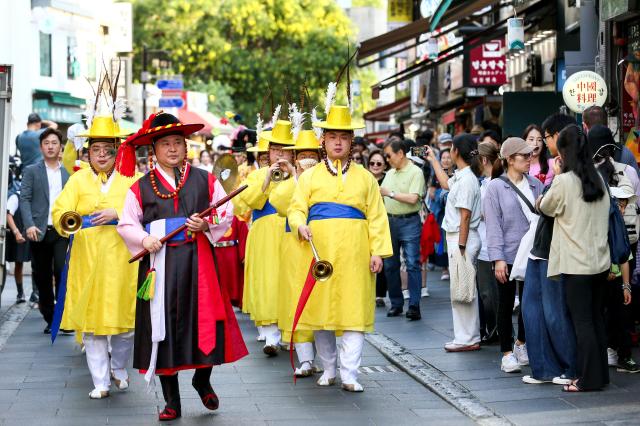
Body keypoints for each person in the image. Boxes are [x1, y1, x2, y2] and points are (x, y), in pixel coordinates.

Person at [117, 112, 247, 420]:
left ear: (186, 146)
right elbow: (126, 223)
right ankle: (171, 400)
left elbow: (225, 212)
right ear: (154, 149)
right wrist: (143, 239)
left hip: (198, 261)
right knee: (162, 328)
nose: (173, 149)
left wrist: (206, 223)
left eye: (178, 142)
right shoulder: (140, 188)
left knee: (206, 320)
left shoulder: (205, 179)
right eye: (166, 144)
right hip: (159, 262)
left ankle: (203, 379)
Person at [288, 105, 392, 392]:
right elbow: (296, 209)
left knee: (354, 312)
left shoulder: (366, 178)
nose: (337, 142)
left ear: (351, 142)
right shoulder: (308, 177)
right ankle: (329, 367)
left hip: (355, 252)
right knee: (321, 313)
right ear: (323, 140)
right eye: (332, 136)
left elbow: (377, 216)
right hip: (319, 251)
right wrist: (299, 225)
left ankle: (350, 373)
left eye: (343, 137)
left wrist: (377, 251)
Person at [50, 115, 140, 399]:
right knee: (92, 326)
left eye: (108, 150)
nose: (101, 156)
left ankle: (120, 368)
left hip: (121, 259)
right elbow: (59, 211)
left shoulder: (132, 178)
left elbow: (147, 211)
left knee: (124, 324)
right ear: (87, 152)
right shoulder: (77, 179)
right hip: (86, 258)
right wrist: (69, 218)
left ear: (118, 151)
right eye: (95, 150)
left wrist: (118, 213)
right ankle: (100, 381)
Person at [538, 124, 610, 392]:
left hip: (576, 265)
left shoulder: (565, 181)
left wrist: (556, 175)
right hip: (600, 262)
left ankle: (588, 379)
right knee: (595, 319)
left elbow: (546, 207)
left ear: (565, 151)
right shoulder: (599, 178)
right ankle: (599, 374)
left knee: (581, 322)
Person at [521, 112, 578, 386]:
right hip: (541, 246)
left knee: (554, 311)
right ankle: (543, 368)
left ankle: (569, 367)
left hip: (555, 249)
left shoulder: (568, 169)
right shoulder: (558, 167)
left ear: (557, 136)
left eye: (545, 137)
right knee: (533, 309)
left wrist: (548, 188)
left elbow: (545, 205)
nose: (543, 143)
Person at [484, 137, 544, 372]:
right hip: (507, 253)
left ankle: (521, 343)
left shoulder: (536, 185)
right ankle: (506, 352)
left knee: (530, 302)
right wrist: (497, 258)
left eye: (531, 155)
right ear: (510, 159)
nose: (530, 159)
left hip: (532, 252)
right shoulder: (496, 187)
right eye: (524, 156)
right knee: (506, 303)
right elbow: (493, 225)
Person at [236, 119, 295, 355]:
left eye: (284, 150)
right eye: (275, 150)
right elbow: (244, 204)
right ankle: (270, 336)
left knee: (288, 279)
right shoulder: (256, 175)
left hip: (289, 229)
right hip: (263, 233)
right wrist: (267, 179)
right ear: (268, 152)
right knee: (266, 280)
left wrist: (292, 176)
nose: (279, 154)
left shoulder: (298, 174)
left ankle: (288, 331)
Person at [270, 128, 321, 377]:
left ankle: (325, 358)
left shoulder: (327, 179)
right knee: (296, 299)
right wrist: (295, 178)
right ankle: (306, 359)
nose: (308, 159)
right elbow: (278, 204)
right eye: (303, 155)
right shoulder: (291, 183)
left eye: (313, 155)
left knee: (322, 301)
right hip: (295, 247)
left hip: (323, 245)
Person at [426, 134, 482, 352]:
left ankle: (467, 338)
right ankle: (466, 336)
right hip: (460, 238)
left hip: (462, 238)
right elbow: (445, 183)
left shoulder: (467, 180)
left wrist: (461, 245)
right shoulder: (462, 176)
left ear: (457, 152)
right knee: (461, 288)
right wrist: (432, 159)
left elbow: (465, 215)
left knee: (463, 290)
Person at [20, 128, 69, 333]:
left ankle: (63, 317)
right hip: (38, 231)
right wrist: (29, 224)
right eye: (47, 143)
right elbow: (25, 198)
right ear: (41, 147)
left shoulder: (69, 172)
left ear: (60, 147)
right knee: (42, 276)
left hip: (61, 231)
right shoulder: (32, 170)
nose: (50, 146)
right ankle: (49, 317)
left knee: (61, 271)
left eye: (54, 143)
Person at [381, 140, 426, 320]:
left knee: (413, 263)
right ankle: (396, 304)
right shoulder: (390, 173)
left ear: (400, 154)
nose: (387, 159)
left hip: (409, 221)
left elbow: (413, 198)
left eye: (389, 155)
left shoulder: (416, 172)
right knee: (391, 265)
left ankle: (414, 305)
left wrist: (390, 193)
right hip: (390, 221)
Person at [604, 186, 638, 373]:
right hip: (600, 278)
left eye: (624, 206)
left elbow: (625, 259)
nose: (622, 210)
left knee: (623, 316)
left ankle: (624, 355)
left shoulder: (620, 228)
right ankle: (610, 350)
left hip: (616, 280)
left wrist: (626, 286)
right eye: (620, 205)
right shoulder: (601, 225)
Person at [476, 142, 500, 344]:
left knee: (488, 293)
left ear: (484, 160)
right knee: (488, 292)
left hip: (489, 245)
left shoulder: (493, 184)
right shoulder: (486, 182)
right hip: (486, 244)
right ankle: (491, 329)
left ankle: (493, 330)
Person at [2, 158, 30, 303]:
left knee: (39, 265)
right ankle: (20, 293)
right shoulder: (16, 195)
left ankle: (36, 293)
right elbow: (8, 214)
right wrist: (16, 232)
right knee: (19, 263)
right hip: (21, 234)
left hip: (34, 233)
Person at [583, 105, 639, 174]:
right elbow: (636, 182)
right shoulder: (625, 153)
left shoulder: (578, 155)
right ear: (607, 124)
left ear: (584, 127)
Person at [427, 148, 453, 280]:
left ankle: (451, 267)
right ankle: (444, 268)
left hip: (453, 212)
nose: (446, 160)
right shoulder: (436, 174)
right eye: (443, 157)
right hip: (440, 212)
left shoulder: (456, 173)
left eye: (449, 157)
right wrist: (440, 195)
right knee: (441, 240)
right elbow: (431, 192)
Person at [368, 150, 389, 307]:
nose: (375, 166)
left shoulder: (388, 179)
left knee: (381, 257)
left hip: (387, 221)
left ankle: (380, 294)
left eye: (379, 163)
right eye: (372, 163)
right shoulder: (364, 179)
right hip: (367, 223)